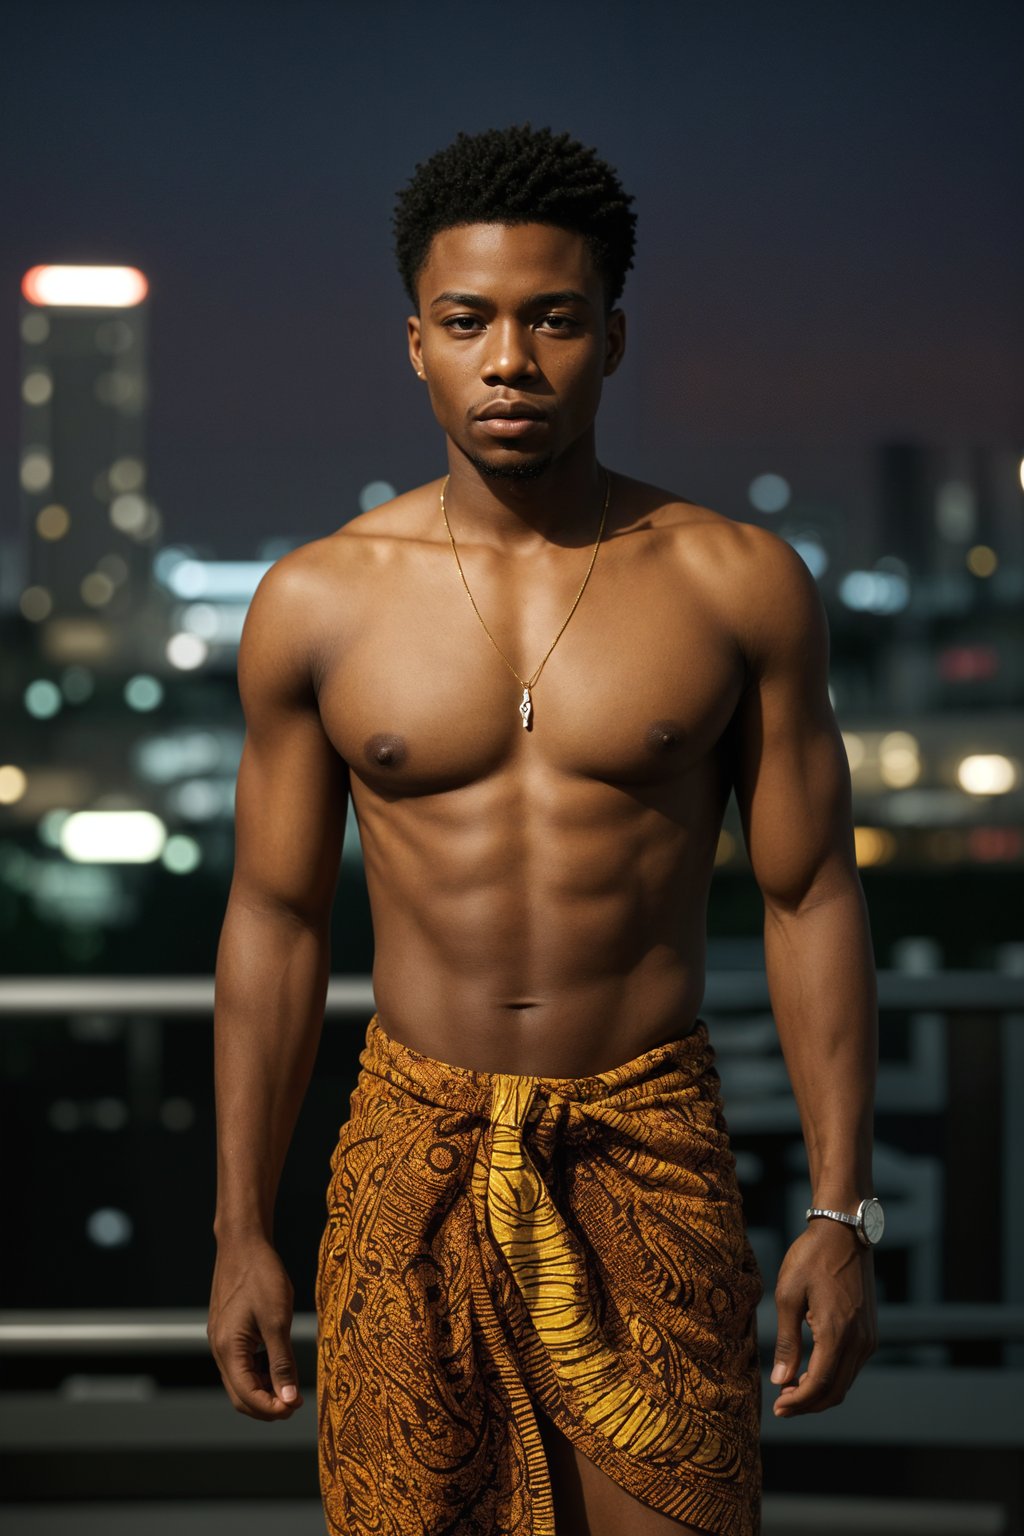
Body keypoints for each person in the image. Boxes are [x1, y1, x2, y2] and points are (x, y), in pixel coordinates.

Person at [208, 124, 880, 1536]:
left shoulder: (736, 584)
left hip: (648, 1142)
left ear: (612, 339)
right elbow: (274, 918)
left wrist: (840, 1211)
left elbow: (812, 893)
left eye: (551, 318)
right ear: (415, 345)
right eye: (468, 322)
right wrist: (239, 1229)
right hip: (411, 1149)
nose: (509, 359)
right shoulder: (317, 602)